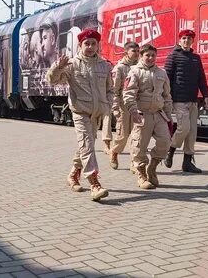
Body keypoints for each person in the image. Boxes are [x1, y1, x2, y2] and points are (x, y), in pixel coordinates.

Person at [46, 28, 113, 201]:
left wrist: (108, 105)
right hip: (80, 112)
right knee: (88, 147)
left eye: (93, 44)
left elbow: (110, 89)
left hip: (96, 114)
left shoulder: (105, 65)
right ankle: (94, 183)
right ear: (80, 45)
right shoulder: (72, 65)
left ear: (98, 45)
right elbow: (52, 80)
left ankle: (73, 175)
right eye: (87, 44)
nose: (90, 47)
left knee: (85, 146)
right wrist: (57, 67)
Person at [123, 44, 173, 189]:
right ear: (141, 56)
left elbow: (167, 95)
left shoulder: (162, 73)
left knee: (165, 142)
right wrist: (133, 111)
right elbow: (128, 94)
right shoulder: (134, 72)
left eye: (153, 55)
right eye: (147, 55)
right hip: (142, 115)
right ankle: (142, 175)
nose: (150, 58)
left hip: (159, 114)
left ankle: (152, 168)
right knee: (139, 147)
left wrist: (168, 115)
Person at [163, 29, 208, 173]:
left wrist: (206, 96)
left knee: (192, 133)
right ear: (179, 40)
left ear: (192, 41)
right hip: (179, 100)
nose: (186, 41)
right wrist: (167, 98)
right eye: (184, 38)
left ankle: (187, 163)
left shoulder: (196, 58)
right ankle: (170, 150)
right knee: (184, 128)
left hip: (193, 100)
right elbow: (166, 79)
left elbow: (201, 78)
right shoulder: (173, 56)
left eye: (189, 38)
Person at [108, 41, 140, 172]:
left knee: (137, 136)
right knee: (122, 136)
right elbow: (114, 90)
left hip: (137, 106)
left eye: (138, 51)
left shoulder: (140, 67)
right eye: (134, 51)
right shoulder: (119, 68)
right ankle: (114, 152)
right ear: (126, 52)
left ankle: (135, 162)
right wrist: (115, 108)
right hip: (123, 106)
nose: (137, 54)